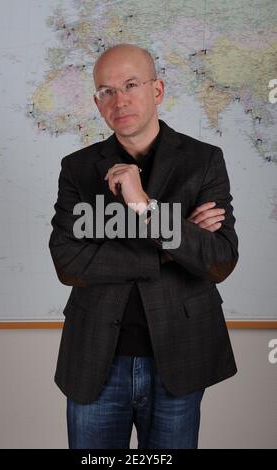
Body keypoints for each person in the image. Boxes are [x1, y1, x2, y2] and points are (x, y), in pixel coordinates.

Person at [49, 43, 239, 449]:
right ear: (98, 103)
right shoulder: (78, 169)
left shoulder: (203, 161)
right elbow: (68, 262)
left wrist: (141, 205)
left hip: (178, 354)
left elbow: (219, 261)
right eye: (106, 91)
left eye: (131, 84)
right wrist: (173, 242)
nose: (119, 99)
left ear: (158, 90)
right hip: (95, 356)